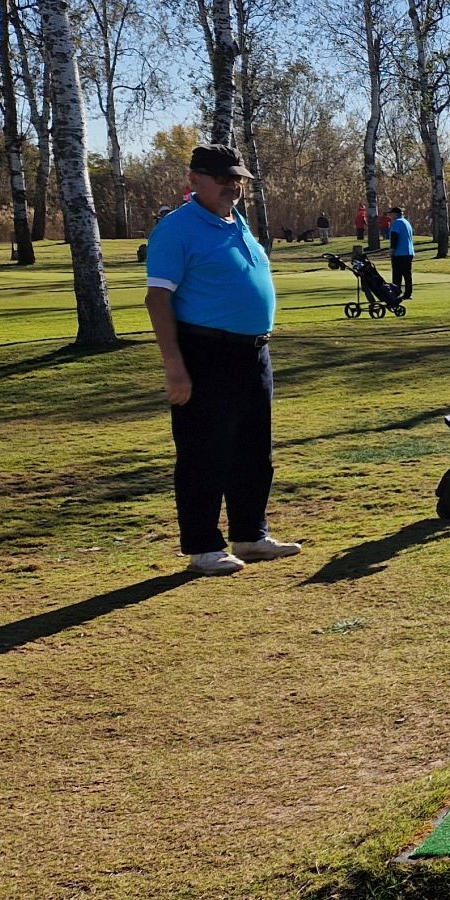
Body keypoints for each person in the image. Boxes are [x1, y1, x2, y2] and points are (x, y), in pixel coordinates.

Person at [144, 143, 302, 577]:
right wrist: (175, 366)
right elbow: (157, 299)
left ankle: (250, 534)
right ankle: (203, 546)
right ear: (194, 180)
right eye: (223, 178)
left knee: (254, 450)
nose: (233, 186)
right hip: (205, 352)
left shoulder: (237, 221)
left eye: (238, 178)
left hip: (253, 352)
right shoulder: (177, 229)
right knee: (204, 452)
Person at [387, 205, 416, 301]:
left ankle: (396, 293)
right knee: (407, 275)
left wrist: (392, 249)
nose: (390, 216)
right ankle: (408, 294)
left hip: (400, 253)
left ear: (395, 214)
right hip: (409, 252)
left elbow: (395, 237)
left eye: (391, 214)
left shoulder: (397, 223)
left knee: (397, 275)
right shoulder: (406, 222)